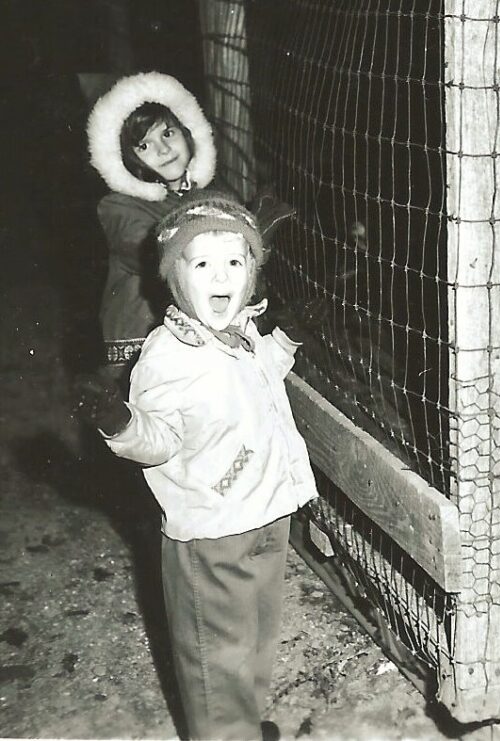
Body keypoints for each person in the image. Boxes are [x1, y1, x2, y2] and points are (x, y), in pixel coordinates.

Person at [74, 193, 317, 741]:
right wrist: (121, 423)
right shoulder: (168, 355)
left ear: (252, 273)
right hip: (212, 530)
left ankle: (244, 725)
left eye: (235, 261)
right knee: (216, 653)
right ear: (174, 276)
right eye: (201, 262)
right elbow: (157, 440)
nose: (220, 276)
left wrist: (288, 338)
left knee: (256, 634)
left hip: (268, 510)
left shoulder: (244, 332)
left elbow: (262, 377)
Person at [86, 71, 217, 382]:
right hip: (141, 331)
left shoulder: (212, 194)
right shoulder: (120, 206)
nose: (162, 150)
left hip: (197, 328)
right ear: (126, 159)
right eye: (144, 145)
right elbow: (144, 249)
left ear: (189, 132)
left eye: (167, 134)